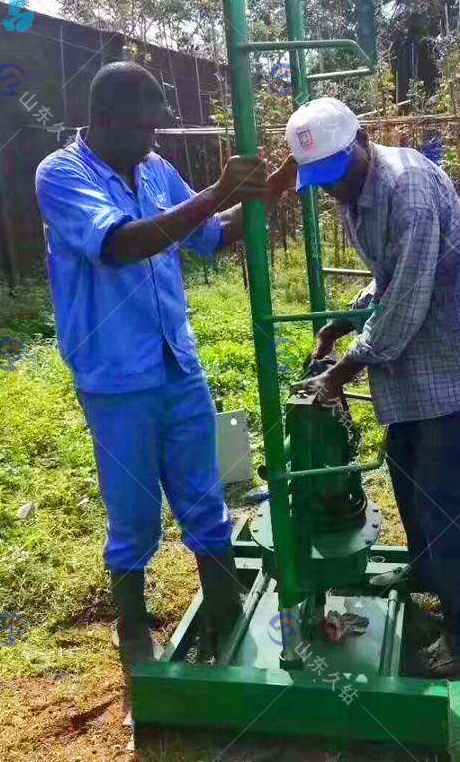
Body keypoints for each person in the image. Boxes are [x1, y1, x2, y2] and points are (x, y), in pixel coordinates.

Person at [35, 61, 295, 673]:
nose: (155, 139)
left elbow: (209, 237)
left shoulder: (155, 170)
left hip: (177, 363)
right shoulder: (62, 174)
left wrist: (281, 181)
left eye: (158, 127)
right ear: (104, 118)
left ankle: (227, 612)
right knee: (133, 511)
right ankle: (132, 631)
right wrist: (215, 193)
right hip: (115, 375)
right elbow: (119, 244)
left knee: (205, 496)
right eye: (144, 127)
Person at [285, 97, 460, 677]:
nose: (331, 190)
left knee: (441, 492)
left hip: (457, 350)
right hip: (422, 351)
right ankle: (427, 570)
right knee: (404, 463)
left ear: (362, 142)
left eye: (335, 174)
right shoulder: (358, 192)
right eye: (318, 181)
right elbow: (390, 276)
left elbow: (412, 294)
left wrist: (345, 368)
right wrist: (346, 319)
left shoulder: (409, 188)